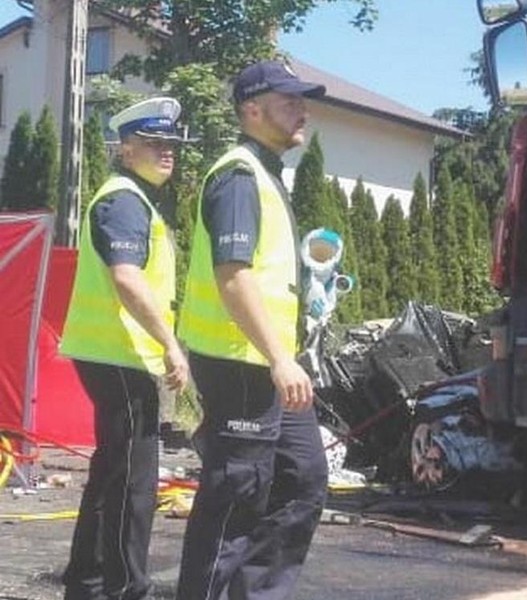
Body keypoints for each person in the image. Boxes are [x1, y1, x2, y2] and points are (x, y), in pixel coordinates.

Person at [175, 60, 328, 600]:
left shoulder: (264, 175)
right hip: (239, 364)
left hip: (264, 365)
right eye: (289, 102)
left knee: (302, 480)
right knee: (235, 498)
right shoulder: (238, 176)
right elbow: (232, 276)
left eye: (301, 102)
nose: (301, 111)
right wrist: (279, 357)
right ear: (251, 110)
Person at [59, 96, 189, 600]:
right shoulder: (125, 200)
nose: (167, 151)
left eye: (171, 143)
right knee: (132, 482)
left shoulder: (130, 198)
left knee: (113, 471)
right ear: (124, 148)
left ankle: (88, 583)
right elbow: (127, 278)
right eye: (155, 143)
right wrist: (170, 344)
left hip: (114, 354)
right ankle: (123, 588)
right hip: (120, 355)